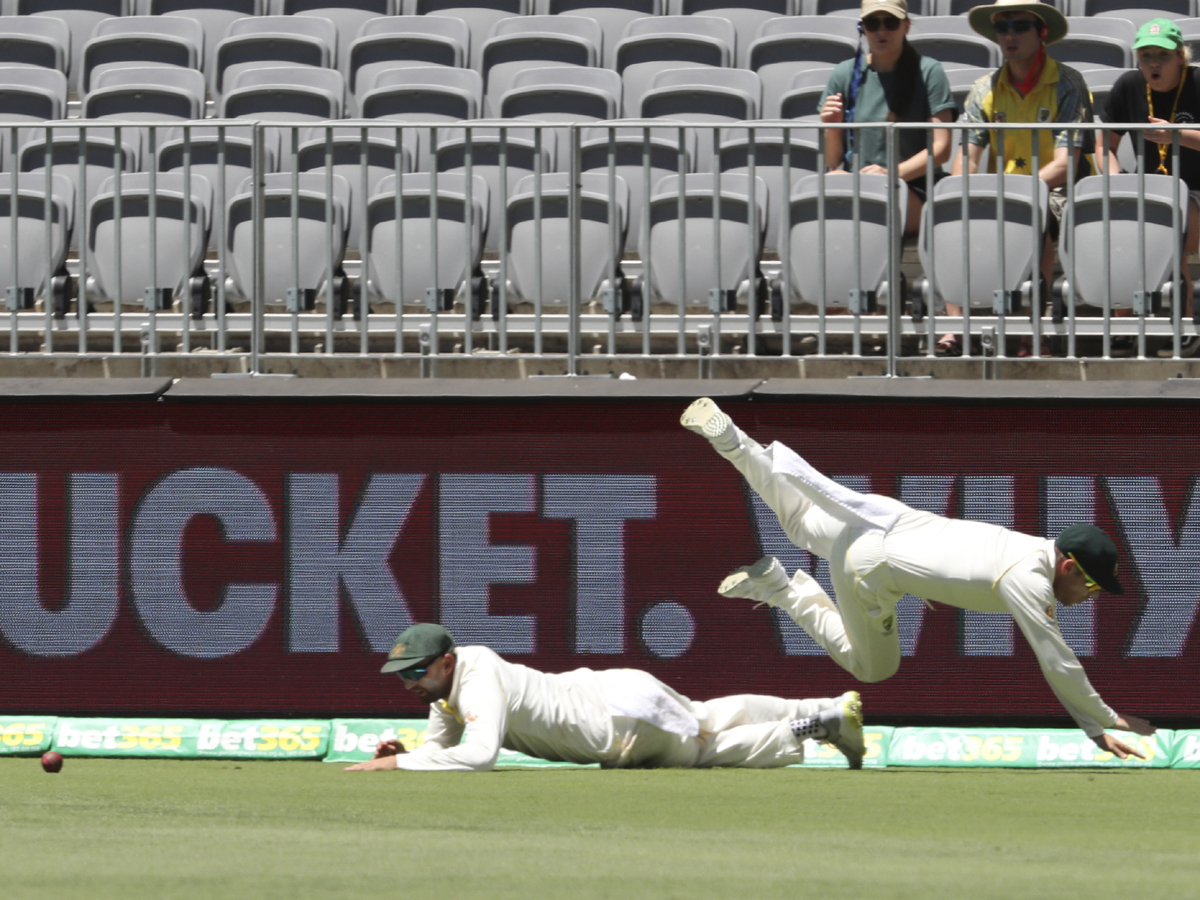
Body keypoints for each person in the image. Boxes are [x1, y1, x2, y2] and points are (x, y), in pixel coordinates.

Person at [680, 397, 1156, 761]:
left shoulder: (1026, 545)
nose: (1088, 598)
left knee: (799, 520)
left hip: (882, 520)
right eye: (1091, 587)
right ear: (1068, 567)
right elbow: (1057, 660)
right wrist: (1102, 720)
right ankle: (782, 589)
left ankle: (733, 441)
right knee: (873, 670)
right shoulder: (1028, 579)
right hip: (872, 565)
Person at [344, 622, 866, 772]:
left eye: (415, 671)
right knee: (705, 717)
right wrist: (410, 757)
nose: (408, 682)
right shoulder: (448, 691)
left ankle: (815, 725)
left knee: (704, 748)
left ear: (446, 662)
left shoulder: (477, 678)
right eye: (401, 674)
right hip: (617, 686)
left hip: (619, 729)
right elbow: (444, 749)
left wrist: (396, 770)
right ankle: (819, 706)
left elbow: (479, 754)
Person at [945, 0, 1092, 358]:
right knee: (948, 210)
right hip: (1002, 190)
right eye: (1003, 26)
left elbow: (1065, 164)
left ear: (1042, 33)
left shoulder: (1068, 84)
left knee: (1036, 217)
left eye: (1020, 26)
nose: (1009, 34)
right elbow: (966, 158)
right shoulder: (984, 89)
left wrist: (1016, 191)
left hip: (1059, 190)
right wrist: (964, 189)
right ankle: (954, 329)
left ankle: (1034, 330)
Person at [1099, 18, 1200, 358]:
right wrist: (1114, 182)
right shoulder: (1129, 85)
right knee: (1125, 216)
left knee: (1170, 220)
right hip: (1150, 188)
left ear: (1180, 58)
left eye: (1163, 55)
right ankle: (1124, 323)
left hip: (1194, 191)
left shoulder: (1198, 82)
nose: (1153, 63)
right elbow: (1104, 146)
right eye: (1146, 55)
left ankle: (1184, 324)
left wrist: (1177, 135)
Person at [819, 0, 956, 238]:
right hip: (859, 187)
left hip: (911, 188)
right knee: (829, 181)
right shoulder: (844, 73)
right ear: (863, 28)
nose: (882, 31)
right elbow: (833, 160)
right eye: (873, 23)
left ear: (906, 26)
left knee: (880, 198)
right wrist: (832, 128)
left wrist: (890, 174)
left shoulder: (929, 71)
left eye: (890, 22)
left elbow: (941, 148)